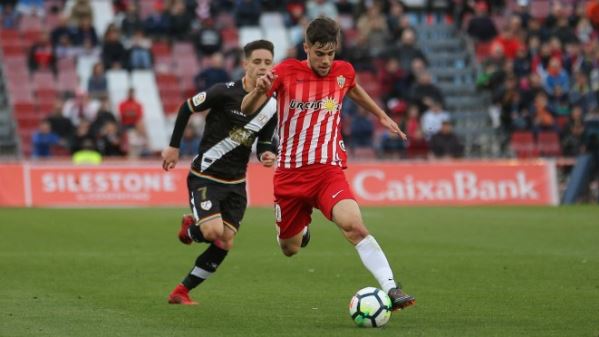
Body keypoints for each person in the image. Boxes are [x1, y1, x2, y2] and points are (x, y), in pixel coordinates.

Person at [240, 16, 415, 311]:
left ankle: (392, 288)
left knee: (354, 226)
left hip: (327, 171)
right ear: (306, 48)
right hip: (290, 176)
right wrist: (258, 90)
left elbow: (353, 86)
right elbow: (246, 110)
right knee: (289, 248)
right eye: (319, 53)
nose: (325, 60)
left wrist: (381, 115)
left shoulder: (342, 71)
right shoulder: (285, 72)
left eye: (330, 53)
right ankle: (302, 229)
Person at [161, 40, 278, 305]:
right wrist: (173, 147)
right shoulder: (224, 92)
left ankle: (181, 291)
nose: (262, 67)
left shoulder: (271, 105)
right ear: (245, 64)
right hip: (206, 176)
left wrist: (267, 154)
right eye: (257, 61)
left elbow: (265, 142)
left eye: (267, 62)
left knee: (224, 242)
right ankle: (192, 228)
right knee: (213, 232)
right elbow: (187, 107)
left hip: (237, 183)